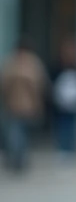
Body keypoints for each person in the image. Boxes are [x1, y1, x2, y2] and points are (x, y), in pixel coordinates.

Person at [1, 37, 48, 174]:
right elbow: (40, 85)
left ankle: (18, 158)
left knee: (18, 133)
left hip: (18, 105)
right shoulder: (32, 63)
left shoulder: (13, 62)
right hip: (23, 105)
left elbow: (4, 84)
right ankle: (19, 159)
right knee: (19, 133)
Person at [49, 38, 76, 168]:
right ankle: (63, 151)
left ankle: (69, 152)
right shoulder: (58, 67)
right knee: (62, 127)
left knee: (71, 128)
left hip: (74, 103)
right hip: (61, 103)